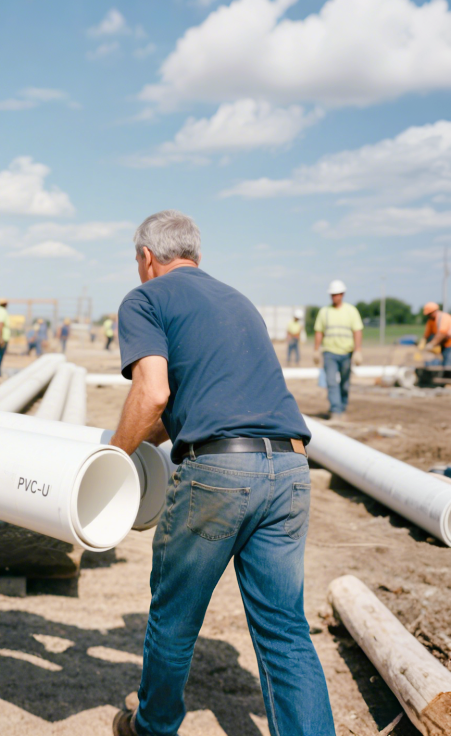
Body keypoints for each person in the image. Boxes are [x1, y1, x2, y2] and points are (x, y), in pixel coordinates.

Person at [109, 210, 333, 736]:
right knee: (285, 630)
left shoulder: (144, 299)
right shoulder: (238, 300)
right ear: (195, 254)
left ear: (146, 257)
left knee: (175, 619)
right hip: (291, 468)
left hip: (219, 474)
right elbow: (199, 403)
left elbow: (153, 393)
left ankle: (153, 725)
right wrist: (141, 432)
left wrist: (112, 460)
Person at [313, 280, 363, 420]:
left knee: (345, 383)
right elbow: (319, 331)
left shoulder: (351, 311)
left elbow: (357, 331)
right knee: (331, 382)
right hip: (329, 352)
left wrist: (358, 350)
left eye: (337, 294)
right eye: (332, 294)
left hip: (347, 352)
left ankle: (342, 407)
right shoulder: (325, 312)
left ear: (342, 294)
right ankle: (335, 410)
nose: (335, 297)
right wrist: (316, 350)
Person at [419, 302, 451, 367]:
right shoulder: (431, 321)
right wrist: (423, 342)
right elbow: (427, 334)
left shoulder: (444, 317)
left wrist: (432, 344)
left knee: (448, 363)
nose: (428, 316)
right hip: (443, 344)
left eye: (429, 314)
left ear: (434, 311)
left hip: (449, 344)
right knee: (443, 362)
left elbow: (442, 333)